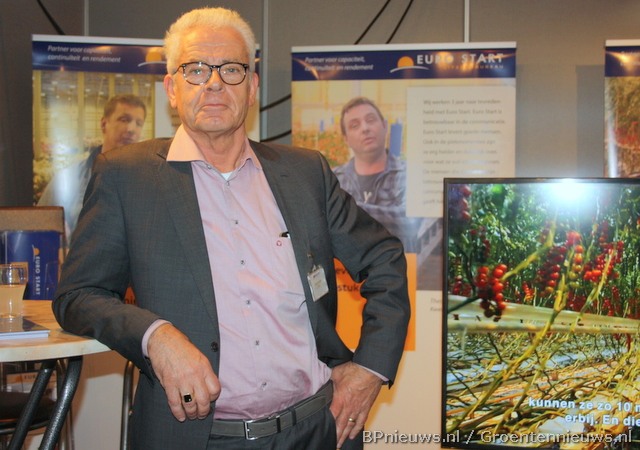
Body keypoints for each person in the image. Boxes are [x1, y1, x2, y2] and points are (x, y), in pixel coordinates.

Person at [52, 7, 410, 450]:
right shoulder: (127, 177)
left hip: (317, 430)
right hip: (194, 438)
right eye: (196, 69)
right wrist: (156, 336)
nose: (215, 83)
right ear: (172, 88)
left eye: (231, 69)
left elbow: (384, 258)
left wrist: (370, 368)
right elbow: (78, 295)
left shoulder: (304, 173)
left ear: (252, 86)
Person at [38, 94, 147, 236]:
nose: (131, 129)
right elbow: (39, 228)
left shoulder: (147, 182)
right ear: (104, 124)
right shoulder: (69, 180)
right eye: (124, 119)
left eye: (139, 123)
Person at [334, 97, 423, 253]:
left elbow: (409, 222)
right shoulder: (333, 179)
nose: (365, 128)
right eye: (355, 125)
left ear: (384, 125)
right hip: (345, 267)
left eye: (370, 120)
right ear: (346, 139)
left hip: (400, 265)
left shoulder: (411, 174)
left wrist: (347, 210)